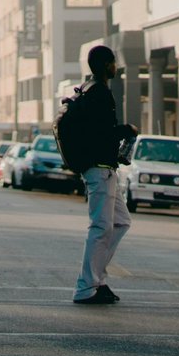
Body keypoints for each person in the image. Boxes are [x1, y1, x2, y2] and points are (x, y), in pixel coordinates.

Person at [54, 45, 138, 306]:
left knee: (121, 222)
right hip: (99, 169)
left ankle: (97, 278)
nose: (116, 66)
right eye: (113, 62)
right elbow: (102, 133)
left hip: (104, 169)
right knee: (100, 227)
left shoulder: (88, 90)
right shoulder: (100, 93)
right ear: (106, 65)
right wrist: (127, 129)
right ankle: (86, 286)